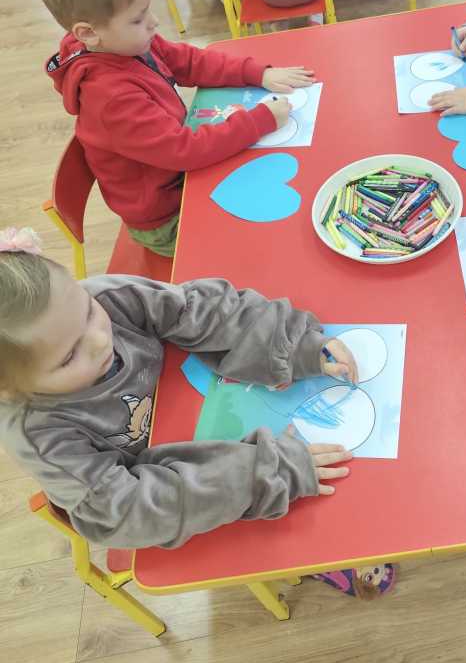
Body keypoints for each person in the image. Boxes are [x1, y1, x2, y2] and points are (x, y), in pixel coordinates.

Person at [0, 228, 356, 549]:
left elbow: (199, 310)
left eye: (89, 312)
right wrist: (262, 474)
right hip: (197, 495)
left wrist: (290, 344)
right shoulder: (39, 434)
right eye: (68, 357)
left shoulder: (107, 296)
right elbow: (129, 510)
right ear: (7, 388)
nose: (99, 340)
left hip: (197, 411)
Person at [33, 0, 313, 257]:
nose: (153, 23)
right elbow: (185, 150)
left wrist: (258, 73)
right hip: (167, 219)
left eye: (148, 10)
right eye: (138, 19)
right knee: (272, 238)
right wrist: (260, 120)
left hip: (180, 177)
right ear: (88, 33)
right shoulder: (111, 99)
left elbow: (189, 61)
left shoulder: (124, 43)